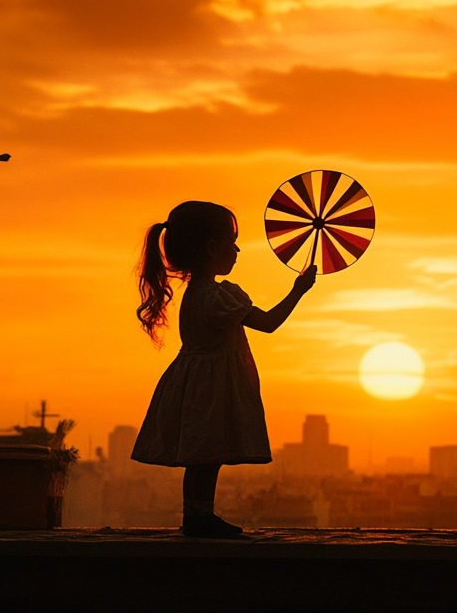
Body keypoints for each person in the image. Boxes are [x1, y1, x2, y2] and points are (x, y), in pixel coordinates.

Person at [131, 200, 317, 538]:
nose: (237, 250)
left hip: (195, 382)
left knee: (201, 456)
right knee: (207, 455)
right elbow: (269, 323)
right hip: (213, 386)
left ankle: (196, 515)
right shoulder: (219, 296)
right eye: (232, 243)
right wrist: (298, 290)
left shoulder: (195, 295)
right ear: (212, 248)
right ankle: (200, 517)